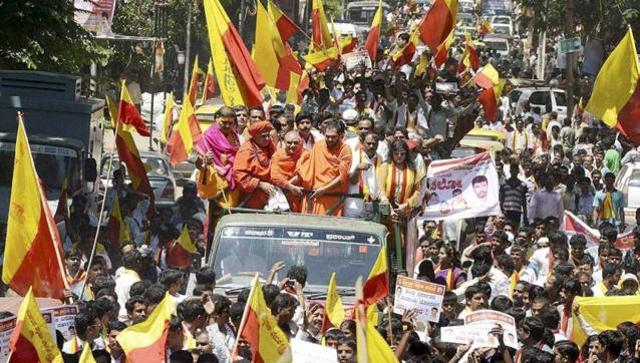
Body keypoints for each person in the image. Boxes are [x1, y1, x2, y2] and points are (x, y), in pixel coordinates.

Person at [299, 119, 352, 215]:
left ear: (340, 135)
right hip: (315, 194)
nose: (330, 140)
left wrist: (324, 190)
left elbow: (342, 177)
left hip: (333, 196)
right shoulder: (319, 145)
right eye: (327, 137)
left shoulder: (345, 150)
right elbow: (311, 169)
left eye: (333, 137)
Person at [232, 120, 278, 209]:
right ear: (255, 136)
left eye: (268, 135)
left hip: (271, 198)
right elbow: (239, 176)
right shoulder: (246, 150)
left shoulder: (270, 146)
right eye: (263, 136)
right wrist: (260, 184)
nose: (267, 139)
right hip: (252, 199)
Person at [270, 131, 309, 212]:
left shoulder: (305, 154)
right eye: (289, 143)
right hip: (282, 196)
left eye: (295, 143)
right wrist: (290, 187)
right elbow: (275, 176)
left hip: (300, 195)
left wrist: (290, 187)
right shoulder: (278, 155)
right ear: (284, 142)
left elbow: (303, 173)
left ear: (300, 142)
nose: (292, 145)